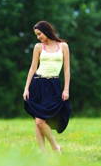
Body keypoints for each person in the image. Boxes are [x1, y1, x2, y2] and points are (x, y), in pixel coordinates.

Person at [23, 21, 71, 153]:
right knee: (38, 121)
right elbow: (33, 68)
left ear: (46, 31)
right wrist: (26, 88)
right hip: (38, 83)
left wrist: (66, 89)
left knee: (42, 121)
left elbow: (67, 69)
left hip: (53, 85)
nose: (38, 37)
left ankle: (55, 147)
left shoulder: (63, 46)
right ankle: (44, 152)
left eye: (39, 34)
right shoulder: (38, 47)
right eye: (36, 35)